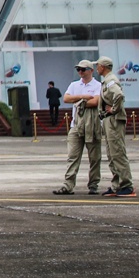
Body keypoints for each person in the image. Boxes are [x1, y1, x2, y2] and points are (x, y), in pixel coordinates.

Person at [51, 60, 102, 195]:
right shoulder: (74, 84)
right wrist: (83, 97)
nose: (80, 72)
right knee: (72, 156)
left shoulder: (98, 85)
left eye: (83, 69)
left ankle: (93, 185)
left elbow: (95, 101)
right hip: (76, 125)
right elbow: (66, 99)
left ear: (91, 70)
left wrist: (77, 100)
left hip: (92, 125)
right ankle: (68, 185)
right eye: (78, 69)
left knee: (95, 157)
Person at [96, 56, 136, 196]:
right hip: (108, 120)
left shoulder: (110, 80)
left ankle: (127, 185)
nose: (97, 68)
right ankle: (117, 185)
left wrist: (114, 109)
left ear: (103, 67)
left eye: (98, 65)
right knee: (112, 154)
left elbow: (119, 95)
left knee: (117, 152)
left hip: (114, 120)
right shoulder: (107, 80)